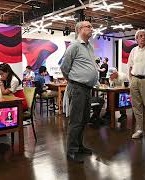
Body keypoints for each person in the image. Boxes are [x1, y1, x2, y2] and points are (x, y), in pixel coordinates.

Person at [61, 21, 99, 163]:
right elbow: (65, 67)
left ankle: (79, 146)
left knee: (84, 120)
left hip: (87, 88)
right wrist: (73, 80)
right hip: (78, 88)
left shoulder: (89, 46)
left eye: (91, 26)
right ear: (79, 30)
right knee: (76, 121)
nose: (91, 28)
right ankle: (71, 151)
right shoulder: (74, 46)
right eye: (88, 26)